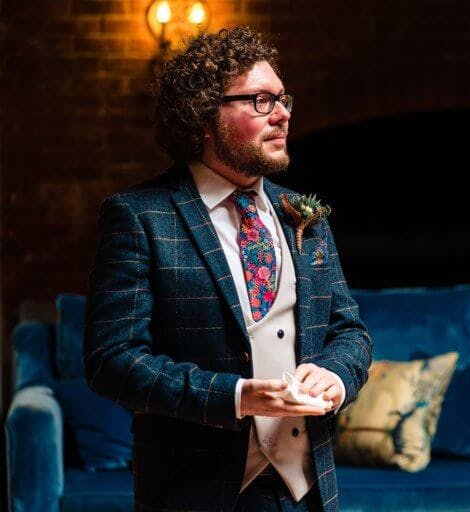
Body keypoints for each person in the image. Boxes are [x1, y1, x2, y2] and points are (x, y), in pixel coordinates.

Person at [83, 26, 372, 512]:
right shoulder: (140, 216)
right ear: (203, 118)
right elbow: (112, 361)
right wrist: (237, 396)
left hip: (308, 490)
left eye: (283, 99)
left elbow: (350, 331)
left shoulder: (304, 215)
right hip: (197, 492)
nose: (281, 115)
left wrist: (336, 376)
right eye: (260, 100)